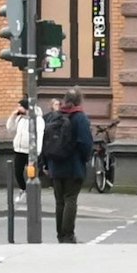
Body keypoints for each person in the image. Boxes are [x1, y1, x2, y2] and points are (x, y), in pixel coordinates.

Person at [40, 89, 94, 244]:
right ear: (79, 100)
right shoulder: (80, 117)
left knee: (59, 202)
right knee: (70, 199)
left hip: (55, 165)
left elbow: (45, 141)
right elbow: (85, 142)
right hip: (73, 165)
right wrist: (85, 158)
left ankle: (60, 235)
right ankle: (68, 235)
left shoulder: (54, 116)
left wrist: (46, 162)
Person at [4, 98, 43, 187]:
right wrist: (13, 116)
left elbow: (39, 136)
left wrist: (37, 153)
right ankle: (24, 189)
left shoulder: (37, 120)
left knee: (31, 174)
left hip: (30, 152)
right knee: (18, 172)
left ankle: (33, 192)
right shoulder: (20, 118)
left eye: (19, 106)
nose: (17, 109)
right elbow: (10, 128)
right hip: (19, 150)